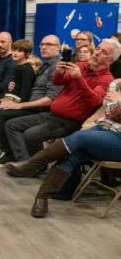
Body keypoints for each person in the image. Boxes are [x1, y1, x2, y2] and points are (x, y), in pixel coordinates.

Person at [5, 38, 120, 176]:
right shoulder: (82, 66)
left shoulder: (106, 79)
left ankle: (32, 166)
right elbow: (59, 82)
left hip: (70, 121)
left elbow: (94, 101)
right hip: (53, 115)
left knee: (30, 135)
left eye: (104, 52)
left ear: (111, 60)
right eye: (98, 49)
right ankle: (29, 164)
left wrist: (79, 78)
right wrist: (59, 72)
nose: (97, 53)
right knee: (12, 124)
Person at [8, 78, 121, 218]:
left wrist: (119, 100)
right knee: (73, 153)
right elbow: (110, 110)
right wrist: (116, 103)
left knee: (80, 137)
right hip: (104, 129)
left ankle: (32, 164)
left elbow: (114, 109)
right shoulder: (117, 83)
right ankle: (41, 198)